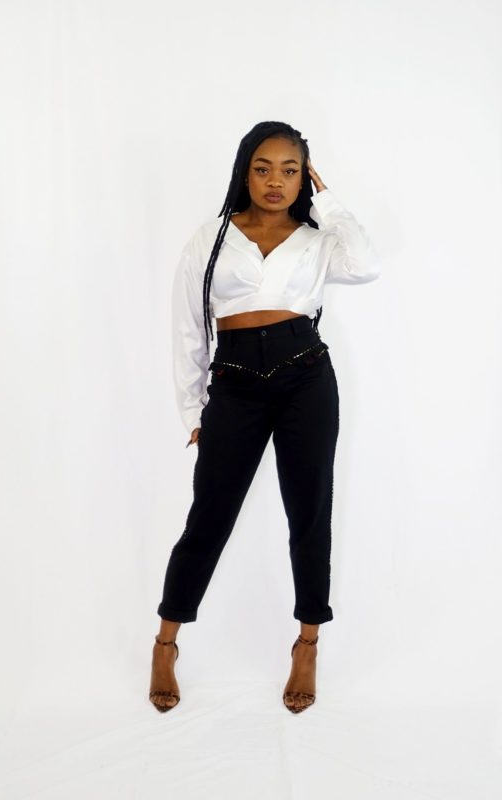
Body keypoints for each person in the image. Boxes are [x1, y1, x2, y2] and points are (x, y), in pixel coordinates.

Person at [149, 120, 381, 713]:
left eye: (290, 170)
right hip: (234, 384)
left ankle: (307, 643)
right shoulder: (212, 238)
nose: (275, 181)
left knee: (310, 512)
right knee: (209, 517)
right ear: (244, 172)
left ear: (305, 178)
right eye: (263, 168)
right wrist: (192, 409)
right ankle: (166, 641)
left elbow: (367, 264)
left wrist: (328, 202)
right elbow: (187, 328)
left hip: (306, 376)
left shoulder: (318, 239)